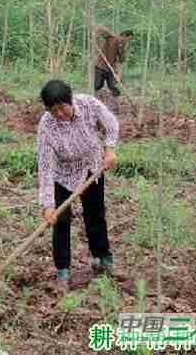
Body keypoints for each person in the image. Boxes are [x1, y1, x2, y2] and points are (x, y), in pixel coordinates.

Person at [37, 79, 119, 295]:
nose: (60, 114)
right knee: (61, 221)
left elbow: (111, 123)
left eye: (62, 107)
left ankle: (103, 259)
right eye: (54, 111)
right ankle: (63, 271)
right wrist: (47, 205)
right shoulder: (46, 126)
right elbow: (45, 166)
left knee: (95, 213)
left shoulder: (88, 104)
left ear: (70, 100)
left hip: (92, 167)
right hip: (63, 175)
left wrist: (109, 150)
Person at [94, 24, 133, 97]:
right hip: (100, 66)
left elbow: (121, 60)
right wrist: (112, 35)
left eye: (128, 40)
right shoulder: (112, 38)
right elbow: (100, 27)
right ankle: (97, 97)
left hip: (110, 69)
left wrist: (122, 50)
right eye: (128, 39)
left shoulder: (122, 46)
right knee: (98, 85)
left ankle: (116, 103)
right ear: (124, 35)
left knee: (113, 87)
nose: (127, 41)